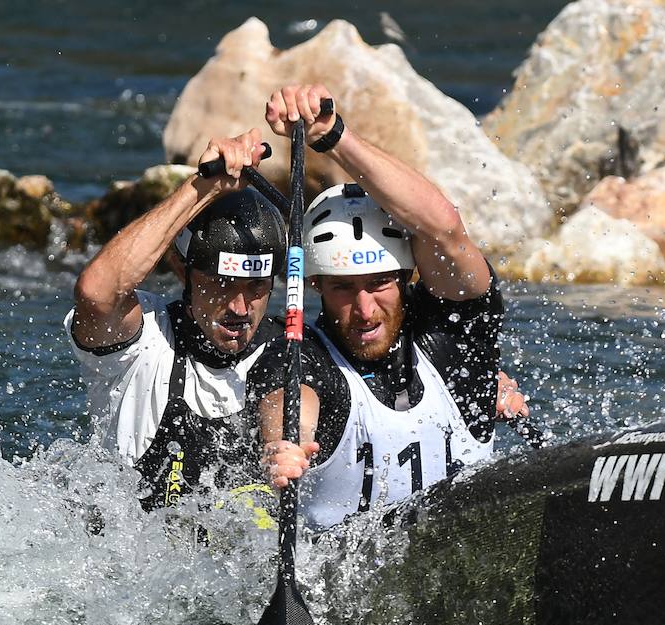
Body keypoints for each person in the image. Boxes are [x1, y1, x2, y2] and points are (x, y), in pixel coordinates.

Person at [251, 84, 527, 529]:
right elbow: (288, 401)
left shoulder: (455, 340)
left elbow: (443, 226)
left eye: (379, 284)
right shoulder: (302, 354)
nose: (364, 309)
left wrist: (332, 135)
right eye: (343, 288)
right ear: (317, 285)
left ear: (406, 276)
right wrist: (283, 446)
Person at [68, 129, 287, 509]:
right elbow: (97, 292)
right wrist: (203, 187)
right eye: (221, 284)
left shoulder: (290, 349)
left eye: (255, 287)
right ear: (182, 270)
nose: (239, 307)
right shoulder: (142, 344)